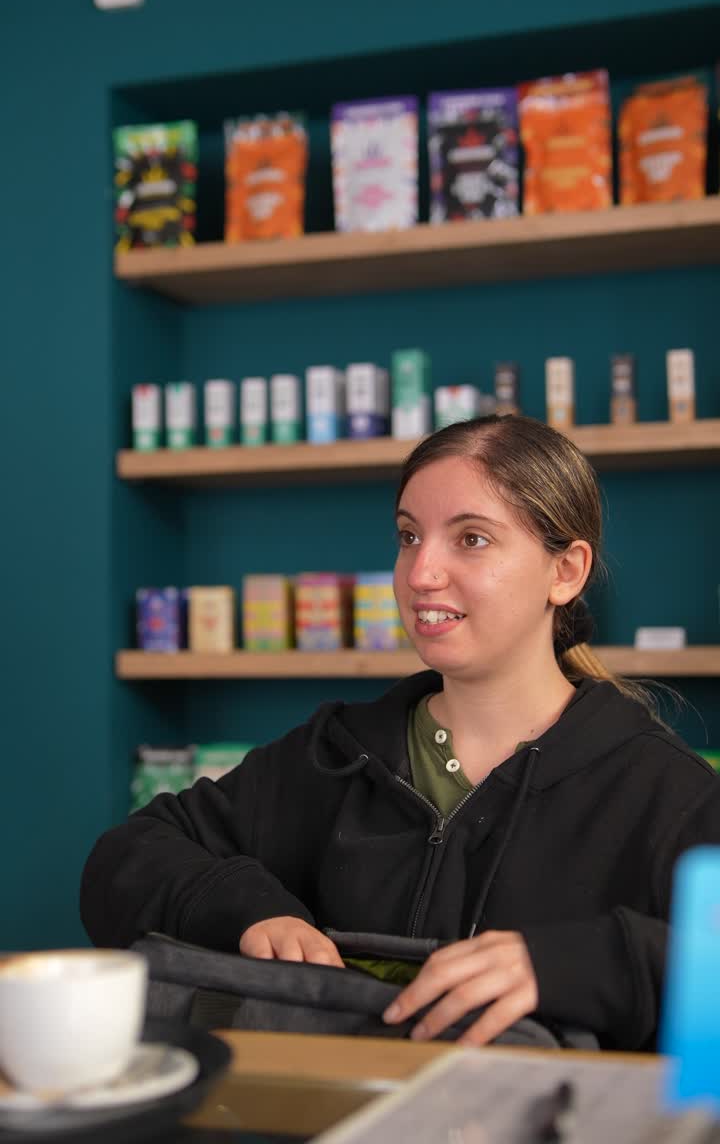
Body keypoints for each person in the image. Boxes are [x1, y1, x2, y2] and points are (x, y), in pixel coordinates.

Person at [80, 414, 720, 1051]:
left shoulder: (668, 793)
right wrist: (245, 908)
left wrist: (578, 965)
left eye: (471, 539)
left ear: (567, 572)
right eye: (409, 536)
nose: (420, 575)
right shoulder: (333, 755)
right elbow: (126, 857)